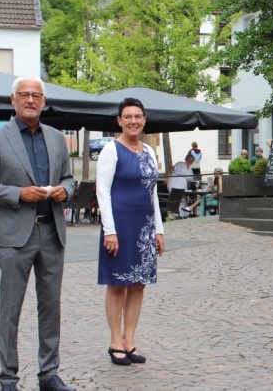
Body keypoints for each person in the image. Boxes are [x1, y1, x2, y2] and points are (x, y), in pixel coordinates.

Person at [0, 75, 77, 391]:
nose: (31, 100)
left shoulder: (57, 138)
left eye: (36, 95)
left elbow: (70, 179)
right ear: (13, 100)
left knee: (51, 309)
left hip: (52, 235)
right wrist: (19, 194)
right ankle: (8, 378)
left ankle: (49, 375)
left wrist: (65, 191)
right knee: (10, 310)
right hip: (15, 236)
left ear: (43, 101)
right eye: (24, 95)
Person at [96, 97, 165, 366]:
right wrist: (109, 231)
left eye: (138, 116)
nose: (133, 121)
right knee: (117, 284)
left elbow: (154, 193)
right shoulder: (111, 150)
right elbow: (102, 191)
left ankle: (130, 340)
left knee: (138, 285)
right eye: (128, 116)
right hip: (120, 226)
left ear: (144, 120)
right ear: (119, 121)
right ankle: (115, 342)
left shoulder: (148, 150)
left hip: (145, 227)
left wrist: (159, 229)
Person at [165, 154, 195, 218]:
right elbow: (172, 169)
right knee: (177, 197)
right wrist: (167, 177)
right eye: (190, 159)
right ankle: (174, 214)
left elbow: (191, 179)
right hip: (175, 181)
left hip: (183, 184)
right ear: (187, 159)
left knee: (184, 198)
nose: (191, 161)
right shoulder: (180, 164)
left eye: (192, 160)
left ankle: (183, 215)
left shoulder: (190, 169)